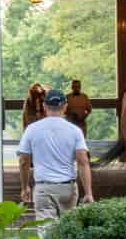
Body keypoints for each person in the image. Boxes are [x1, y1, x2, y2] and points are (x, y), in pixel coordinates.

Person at [17, 89, 93, 220]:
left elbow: (24, 161)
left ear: (44, 106)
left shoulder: (32, 129)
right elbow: (83, 162)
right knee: (67, 230)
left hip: (43, 188)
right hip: (68, 188)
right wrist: (88, 193)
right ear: (65, 107)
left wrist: (25, 187)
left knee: (46, 230)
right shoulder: (75, 131)